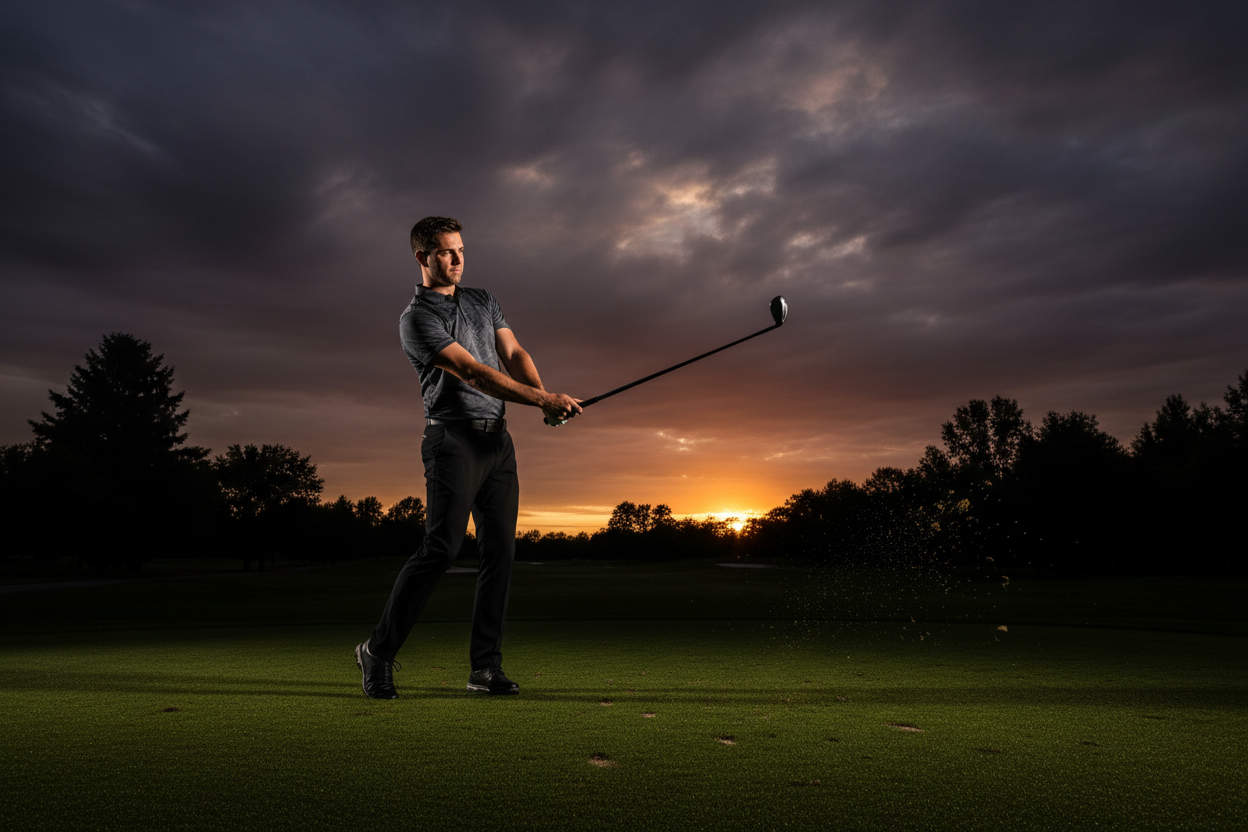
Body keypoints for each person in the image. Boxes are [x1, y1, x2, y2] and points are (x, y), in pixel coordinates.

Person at [355, 216, 581, 699]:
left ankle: (484, 668)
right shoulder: (416, 319)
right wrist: (544, 400)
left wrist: (542, 398)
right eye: (446, 253)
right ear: (422, 257)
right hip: (451, 442)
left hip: (497, 443)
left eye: (461, 250)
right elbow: (473, 373)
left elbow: (513, 352)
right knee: (441, 548)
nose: (457, 260)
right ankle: (378, 651)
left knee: (500, 552)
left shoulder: (483, 299)